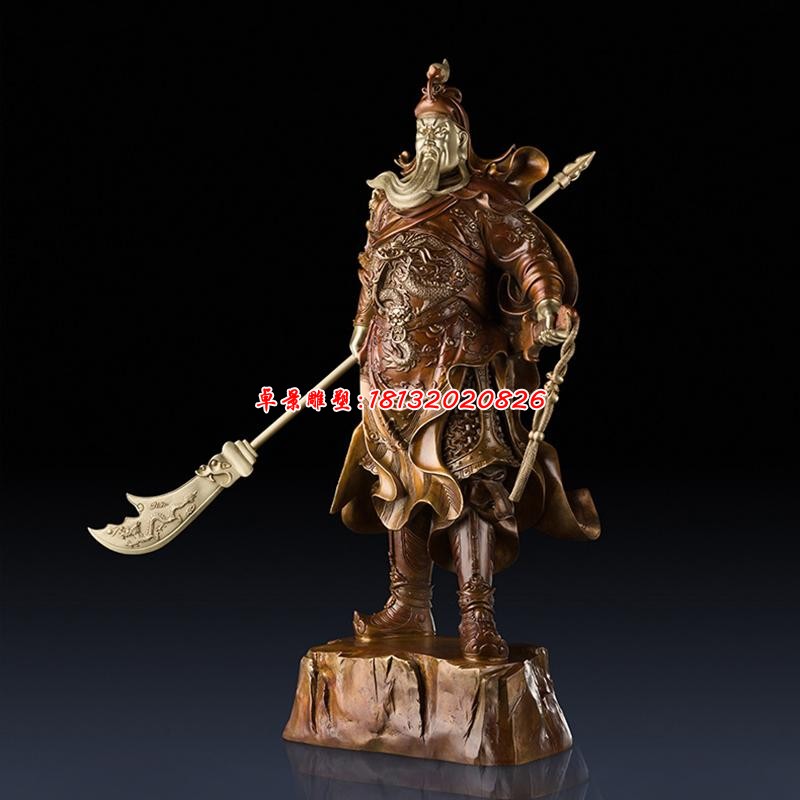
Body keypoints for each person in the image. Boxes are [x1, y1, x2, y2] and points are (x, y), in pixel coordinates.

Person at [331, 60, 600, 663]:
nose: (430, 141)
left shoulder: (483, 201)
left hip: (459, 366)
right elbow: (373, 268)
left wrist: (546, 302)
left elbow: (529, 253)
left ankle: (477, 615)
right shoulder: (388, 199)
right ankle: (408, 603)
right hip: (387, 370)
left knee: (472, 484)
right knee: (398, 480)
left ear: (460, 139)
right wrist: (360, 325)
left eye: (441, 132)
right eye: (422, 131)